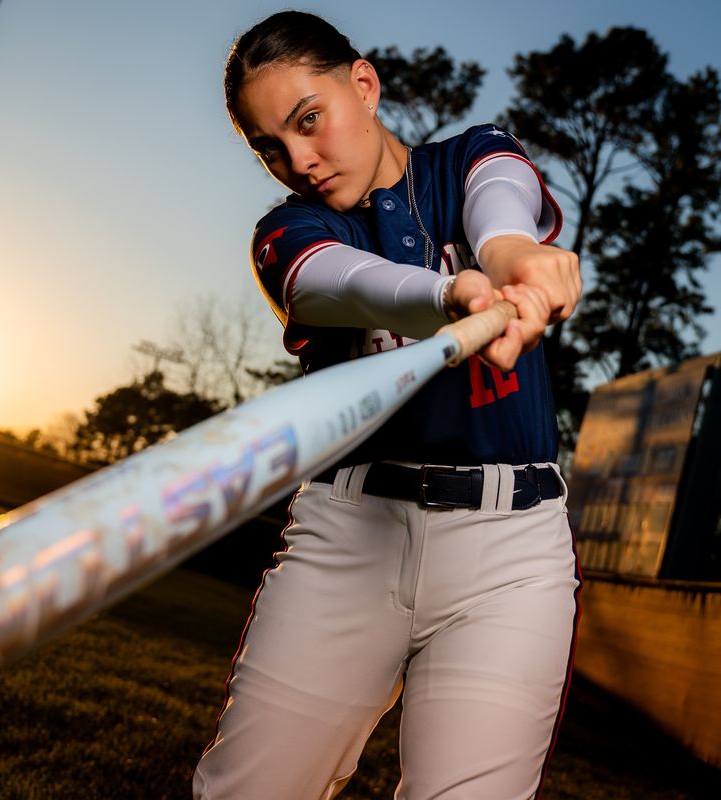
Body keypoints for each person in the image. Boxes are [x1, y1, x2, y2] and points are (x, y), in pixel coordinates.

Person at [195, 11, 582, 799]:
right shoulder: (292, 230)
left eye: (309, 121)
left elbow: (500, 215)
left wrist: (515, 260)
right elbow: (335, 279)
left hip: (512, 556)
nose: (297, 160)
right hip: (349, 540)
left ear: (363, 85)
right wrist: (447, 293)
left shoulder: (473, 156)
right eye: (271, 146)